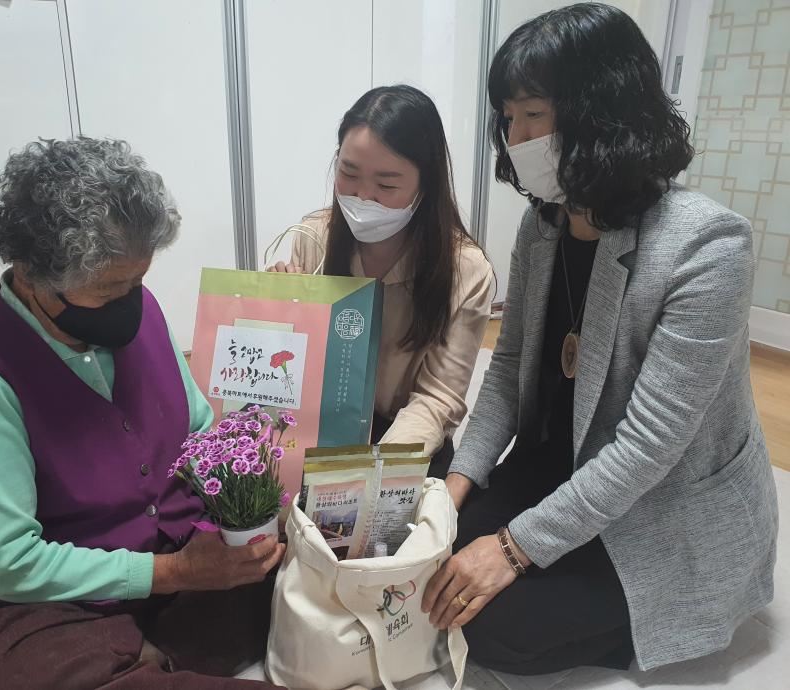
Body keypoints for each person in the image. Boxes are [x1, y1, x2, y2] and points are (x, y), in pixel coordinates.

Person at [421, 3, 779, 676]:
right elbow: (509, 370)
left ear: (602, 110)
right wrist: (456, 487)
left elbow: (647, 449)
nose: (515, 134)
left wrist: (511, 549)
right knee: (429, 547)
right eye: (507, 115)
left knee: (497, 628)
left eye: (534, 114)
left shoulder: (707, 243)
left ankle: (660, 619)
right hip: (565, 462)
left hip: (661, 505)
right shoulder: (545, 227)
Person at [0, 138, 284, 689]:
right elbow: (9, 562)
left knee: (305, 560)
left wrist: (253, 517)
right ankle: (163, 652)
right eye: (108, 290)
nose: (130, 301)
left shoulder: (139, 307)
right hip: (69, 588)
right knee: (36, 671)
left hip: (183, 539)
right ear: (31, 275)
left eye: (138, 281)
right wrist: (172, 574)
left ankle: (159, 655)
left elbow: (201, 431)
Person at [269, 84, 494, 467]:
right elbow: (294, 372)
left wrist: (368, 471)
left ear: (426, 185)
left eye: (386, 185)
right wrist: (279, 310)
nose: (362, 197)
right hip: (326, 422)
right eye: (348, 173)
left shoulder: (465, 270)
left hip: (407, 435)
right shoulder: (315, 238)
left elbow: (437, 400)